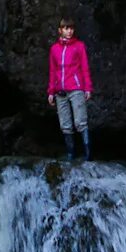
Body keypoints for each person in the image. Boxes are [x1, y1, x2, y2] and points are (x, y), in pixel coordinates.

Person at [47, 17, 93, 161]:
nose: (69, 31)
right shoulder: (54, 49)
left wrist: (87, 88)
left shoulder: (79, 46)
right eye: (66, 28)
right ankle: (70, 154)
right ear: (60, 30)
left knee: (80, 121)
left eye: (71, 28)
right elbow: (52, 71)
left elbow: (85, 67)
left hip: (76, 88)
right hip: (60, 91)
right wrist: (50, 91)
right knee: (65, 124)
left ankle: (87, 154)